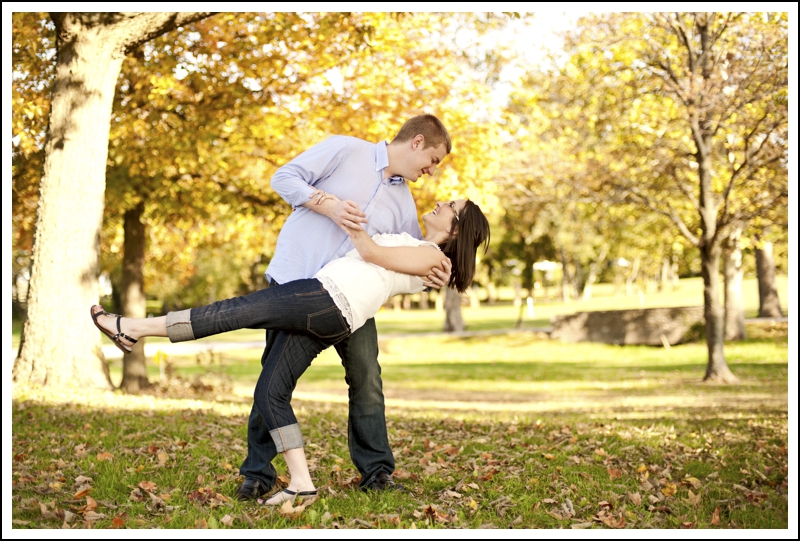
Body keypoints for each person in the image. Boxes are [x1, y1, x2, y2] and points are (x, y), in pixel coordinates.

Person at [91, 197, 491, 505]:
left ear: (455, 229)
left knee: (233, 311)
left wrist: (340, 211)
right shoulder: (425, 253)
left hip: (325, 299)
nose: (441, 202)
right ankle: (301, 484)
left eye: (451, 206)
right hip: (332, 310)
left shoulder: (432, 256)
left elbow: (370, 253)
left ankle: (132, 328)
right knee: (270, 392)